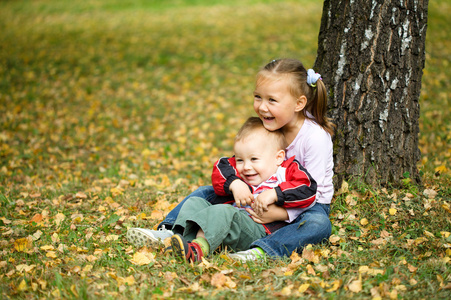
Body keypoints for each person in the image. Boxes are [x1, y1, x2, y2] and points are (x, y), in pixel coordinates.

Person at [127, 58, 334, 261]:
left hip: (306, 204)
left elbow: (311, 191)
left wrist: (279, 214)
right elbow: (235, 162)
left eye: (272, 100)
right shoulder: (270, 123)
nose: (262, 107)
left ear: (299, 104)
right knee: (205, 193)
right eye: (258, 97)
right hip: (258, 191)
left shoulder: (314, 137)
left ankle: (261, 252)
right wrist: (235, 183)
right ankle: (170, 232)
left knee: (318, 224)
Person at [167, 117, 316, 262]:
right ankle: (179, 240)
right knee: (195, 202)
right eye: (240, 160)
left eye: (254, 159)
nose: (246, 167)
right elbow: (221, 167)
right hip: (226, 224)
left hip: (255, 229)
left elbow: (307, 189)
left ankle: (198, 249)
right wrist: (235, 183)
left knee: (223, 211)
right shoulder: (241, 170)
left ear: (278, 157)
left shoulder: (286, 171)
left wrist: (275, 193)